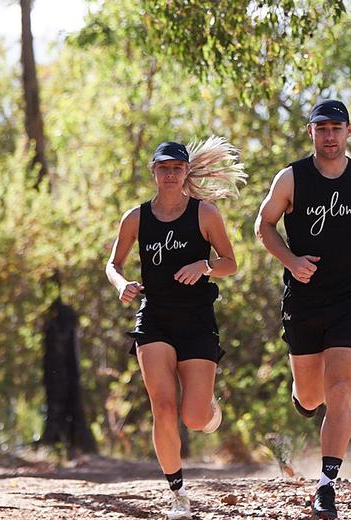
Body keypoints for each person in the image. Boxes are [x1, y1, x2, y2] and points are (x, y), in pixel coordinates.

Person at [255, 99, 351, 519]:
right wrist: (291, 262)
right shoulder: (291, 178)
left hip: (350, 298)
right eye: (322, 128)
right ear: (310, 131)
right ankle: (302, 398)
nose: (330, 136)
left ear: (349, 131)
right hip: (304, 299)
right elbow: (264, 225)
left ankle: (327, 486)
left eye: (337, 128)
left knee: (340, 390)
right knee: (312, 396)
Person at [106, 137, 245, 520]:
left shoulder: (205, 214)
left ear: (186, 172)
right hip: (154, 319)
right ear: (154, 171)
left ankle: (208, 406)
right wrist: (123, 285)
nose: (170, 174)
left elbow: (230, 262)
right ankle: (178, 492)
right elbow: (113, 264)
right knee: (163, 407)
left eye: (177, 168)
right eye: (163, 168)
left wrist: (204, 267)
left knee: (194, 418)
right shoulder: (136, 218)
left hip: (198, 320)